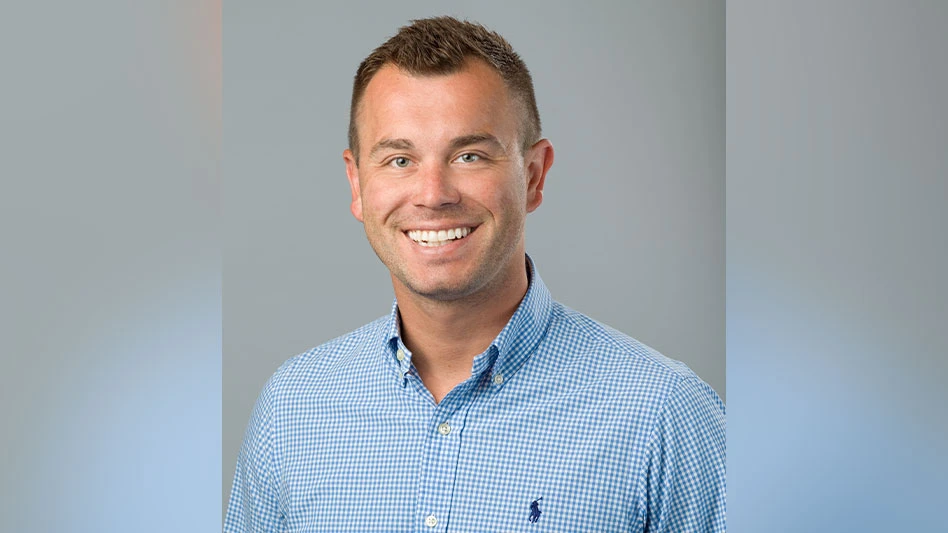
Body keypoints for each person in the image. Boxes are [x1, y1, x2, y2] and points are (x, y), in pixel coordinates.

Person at [225, 16, 725, 532]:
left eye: (469, 155)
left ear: (533, 176)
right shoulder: (292, 410)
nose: (433, 193)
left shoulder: (662, 413)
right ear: (356, 182)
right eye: (399, 160)